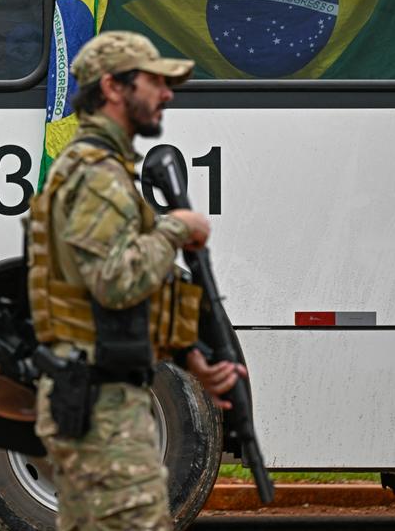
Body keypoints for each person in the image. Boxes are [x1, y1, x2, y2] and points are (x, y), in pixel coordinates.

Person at [28, 31, 247, 531]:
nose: (166, 94)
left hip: (98, 399)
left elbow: (121, 299)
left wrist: (195, 358)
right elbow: (114, 282)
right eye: (154, 82)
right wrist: (176, 228)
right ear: (112, 87)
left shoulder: (106, 170)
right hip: (99, 408)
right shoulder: (97, 175)